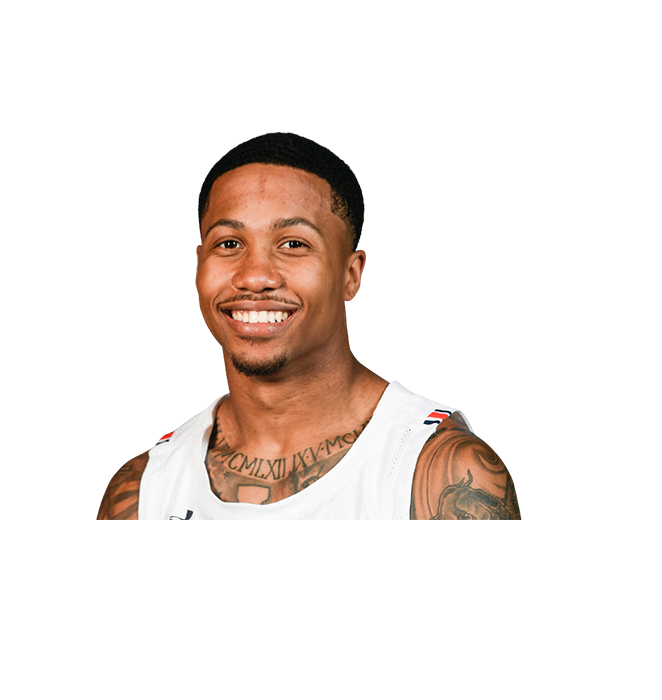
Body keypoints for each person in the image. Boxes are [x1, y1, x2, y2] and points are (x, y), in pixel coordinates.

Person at [98, 131, 521, 520]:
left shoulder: (441, 474)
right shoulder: (144, 491)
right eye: (229, 243)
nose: (255, 276)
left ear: (350, 275)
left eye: (293, 244)